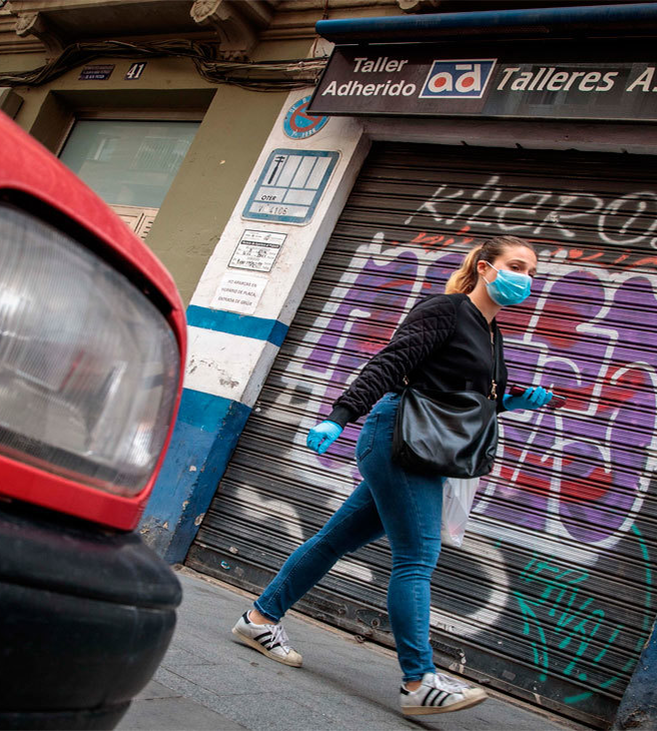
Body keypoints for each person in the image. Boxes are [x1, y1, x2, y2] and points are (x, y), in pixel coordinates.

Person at [230, 235, 556, 716]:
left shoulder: (491, 332)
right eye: (516, 266)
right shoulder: (446, 310)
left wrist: (511, 402)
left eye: (531, 272)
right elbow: (392, 363)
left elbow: (462, 400)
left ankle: (259, 619)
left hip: (426, 446)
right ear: (486, 268)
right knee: (417, 557)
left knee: (333, 541)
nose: (525, 278)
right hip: (400, 438)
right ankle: (419, 681)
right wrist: (340, 416)